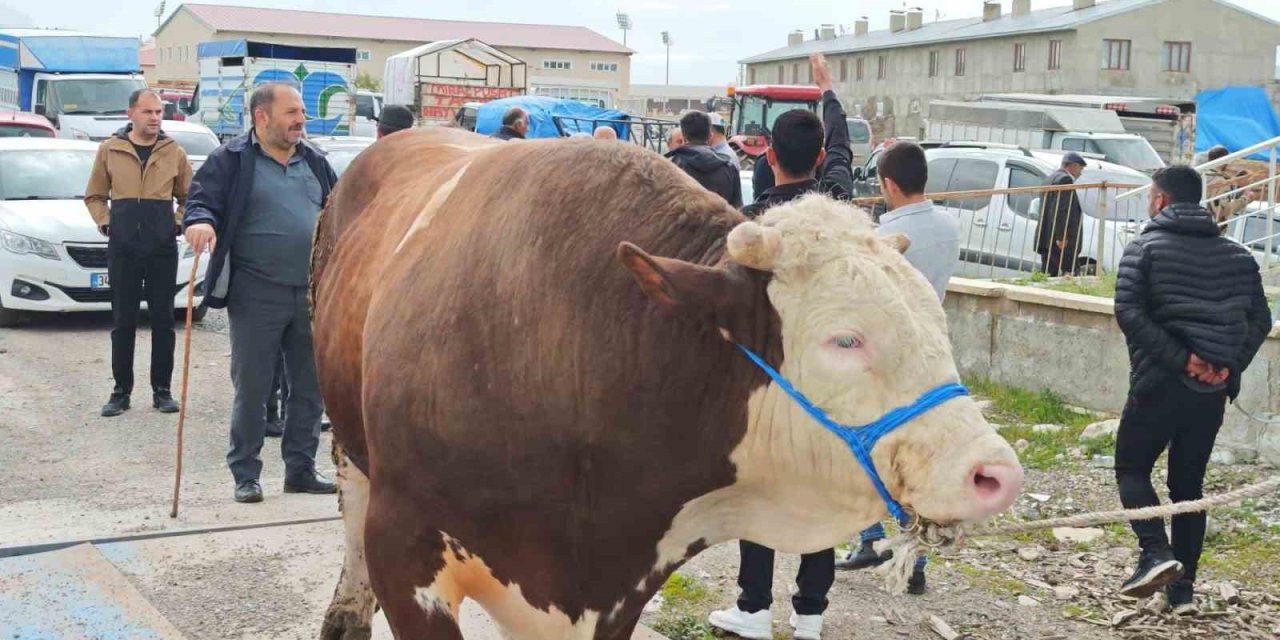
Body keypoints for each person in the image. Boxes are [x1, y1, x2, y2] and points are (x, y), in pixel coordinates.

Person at [708, 52, 850, 640]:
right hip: (832, 384)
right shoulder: (840, 212)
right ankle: (811, 615)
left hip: (770, 387)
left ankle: (754, 608)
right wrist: (829, 96)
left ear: (767, 154)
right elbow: (841, 154)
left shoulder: (749, 230)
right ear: (818, 158)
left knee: (765, 494)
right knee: (822, 493)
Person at [1112, 165, 1271, 615]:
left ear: (1160, 200)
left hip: (1158, 383)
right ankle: (1182, 595)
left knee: (1131, 467)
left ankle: (1155, 554)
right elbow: (1262, 320)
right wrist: (1225, 368)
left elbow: (1127, 310)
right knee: (1188, 486)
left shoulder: (1143, 248)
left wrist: (1183, 360)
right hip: (1209, 395)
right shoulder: (1240, 256)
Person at [183, 82, 339, 504]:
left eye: (303, 112)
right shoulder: (230, 160)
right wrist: (200, 223)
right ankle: (246, 473)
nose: (301, 120)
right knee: (253, 386)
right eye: (291, 112)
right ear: (262, 118)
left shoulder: (316, 162)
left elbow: (341, 211)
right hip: (255, 292)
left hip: (311, 292)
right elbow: (199, 203)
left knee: (308, 387)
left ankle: (301, 470)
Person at [833, 141, 961, 594]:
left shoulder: (881, 235)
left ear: (887, 184)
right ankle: (916, 556)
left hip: (884, 359)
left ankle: (869, 536)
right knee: (917, 459)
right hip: (931, 353)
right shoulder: (949, 225)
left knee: (864, 450)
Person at [84, 89, 191, 418]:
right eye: (147, 112)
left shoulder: (174, 152)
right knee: (123, 321)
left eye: (159, 111)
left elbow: (191, 197)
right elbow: (95, 196)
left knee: (163, 321)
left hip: (161, 250)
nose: (155, 117)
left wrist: (175, 225)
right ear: (130, 113)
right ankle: (120, 392)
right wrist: (108, 224)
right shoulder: (110, 150)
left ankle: (163, 391)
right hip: (124, 249)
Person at [666, 111, 743, 207]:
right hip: (720, 221)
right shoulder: (729, 168)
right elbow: (738, 209)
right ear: (710, 135)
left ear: (684, 137)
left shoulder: (671, 167)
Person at [1036, 152, 1086, 277]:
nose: (1080, 173)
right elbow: (1061, 210)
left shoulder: (1050, 178)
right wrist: (1061, 236)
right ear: (1073, 166)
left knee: (1048, 274)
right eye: (1081, 168)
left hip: (1047, 237)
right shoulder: (1065, 179)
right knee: (1070, 274)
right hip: (1061, 241)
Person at [1203, 145, 1255, 230]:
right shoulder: (1221, 181)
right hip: (1211, 229)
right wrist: (1245, 199)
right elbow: (1222, 211)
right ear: (1224, 160)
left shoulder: (1200, 176)